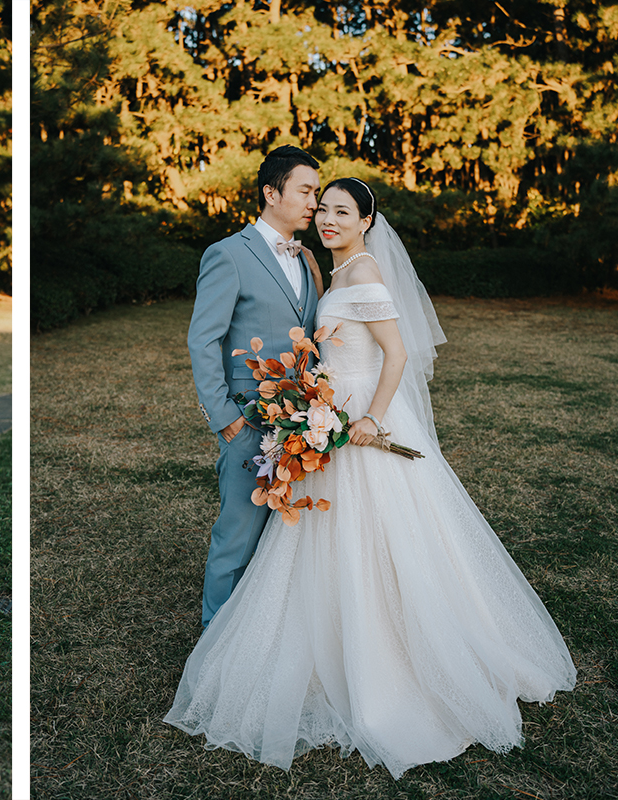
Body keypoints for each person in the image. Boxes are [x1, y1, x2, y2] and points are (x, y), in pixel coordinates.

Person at [165, 178, 577, 778]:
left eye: (338, 210)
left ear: (365, 222)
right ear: (272, 192)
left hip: (357, 423)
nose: (324, 216)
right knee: (311, 538)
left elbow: (398, 353)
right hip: (320, 416)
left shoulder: (362, 275)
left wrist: (371, 419)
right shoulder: (323, 269)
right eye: (319, 204)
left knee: (379, 538)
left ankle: (386, 658)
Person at [188, 145, 325, 628]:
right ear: (271, 192)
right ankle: (213, 647)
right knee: (238, 535)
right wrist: (226, 420)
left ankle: (265, 636)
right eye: (305, 191)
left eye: (317, 193)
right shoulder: (227, 254)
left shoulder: (309, 258)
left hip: (304, 426)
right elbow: (203, 339)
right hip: (249, 421)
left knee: (287, 538)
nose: (314, 202)